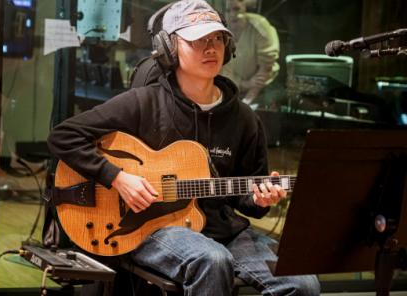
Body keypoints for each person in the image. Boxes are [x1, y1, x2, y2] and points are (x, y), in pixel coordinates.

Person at [47, 0, 320, 295]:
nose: (211, 48)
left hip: (222, 231)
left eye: (217, 39)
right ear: (169, 48)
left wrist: (261, 200)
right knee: (213, 261)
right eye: (198, 40)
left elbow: (246, 198)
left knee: (303, 284)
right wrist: (117, 177)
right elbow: (64, 136)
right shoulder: (144, 103)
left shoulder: (244, 119)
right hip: (152, 227)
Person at [222, 0, 280, 104]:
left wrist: (247, 100)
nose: (232, 14)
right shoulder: (221, 31)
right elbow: (223, 70)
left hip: (263, 90)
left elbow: (265, 69)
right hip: (232, 89)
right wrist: (245, 84)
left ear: (245, 8)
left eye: (236, 9)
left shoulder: (259, 26)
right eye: (227, 10)